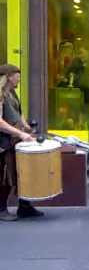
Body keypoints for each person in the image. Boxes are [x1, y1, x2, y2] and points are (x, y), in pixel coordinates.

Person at [0, 64, 39, 221]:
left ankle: (24, 206)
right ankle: (1, 209)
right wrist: (21, 134)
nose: (19, 78)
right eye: (17, 75)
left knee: (22, 173)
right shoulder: (0, 95)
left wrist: (26, 127)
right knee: (5, 176)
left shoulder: (12, 93)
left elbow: (18, 113)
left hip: (14, 139)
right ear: (9, 77)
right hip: (3, 142)